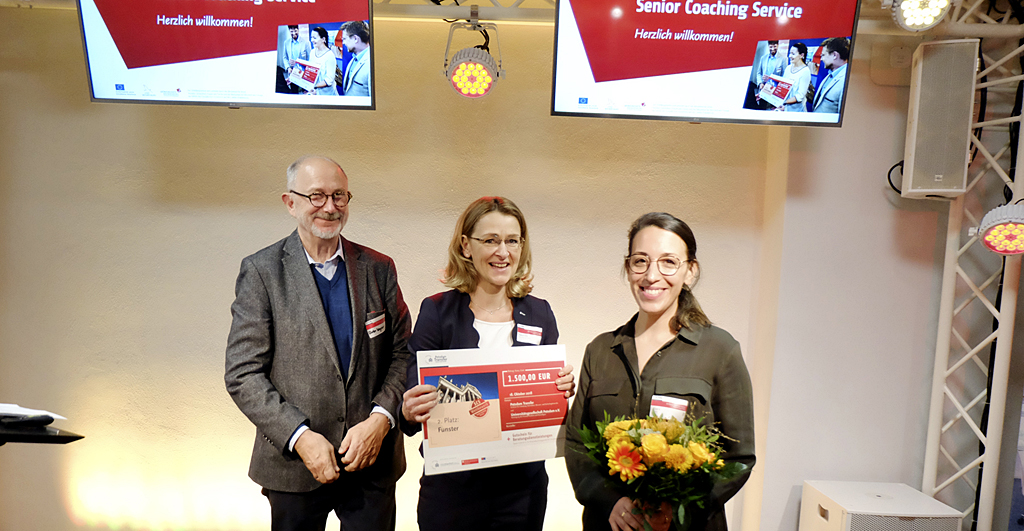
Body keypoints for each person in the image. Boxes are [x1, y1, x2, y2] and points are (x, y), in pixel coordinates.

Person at [225, 155, 412, 531]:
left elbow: (403, 353)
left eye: (339, 195)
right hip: (294, 467)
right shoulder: (262, 272)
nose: (329, 207)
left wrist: (381, 420)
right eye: (316, 196)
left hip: (371, 462)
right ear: (290, 203)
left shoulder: (378, 268)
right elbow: (243, 374)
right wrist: (300, 437)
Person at [566, 212, 755, 531]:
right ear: (628, 268)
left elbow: (739, 456)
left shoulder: (720, 350)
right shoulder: (601, 350)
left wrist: (679, 508)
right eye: (640, 261)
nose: (652, 275)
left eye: (668, 262)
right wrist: (610, 501)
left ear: (690, 271)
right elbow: (576, 442)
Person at [400, 196, 576, 531]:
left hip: (522, 494)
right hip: (453, 494)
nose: (503, 252)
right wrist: (410, 409)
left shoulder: (540, 313)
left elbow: (546, 401)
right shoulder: (437, 312)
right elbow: (412, 396)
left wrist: (560, 388)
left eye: (512, 241)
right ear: (466, 246)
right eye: (491, 240)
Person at [812, 37, 850, 113]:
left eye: (823, 55)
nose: (821, 59)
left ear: (835, 55)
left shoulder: (847, 81)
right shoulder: (831, 75)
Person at [775, 42, 811, 112]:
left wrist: (784, 103)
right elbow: (782, 86)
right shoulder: (788, 68)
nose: (790, 56)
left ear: (801, 55)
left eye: (793, 54)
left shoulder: (805, 71)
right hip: (784, 107)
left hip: (796, 110)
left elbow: (799, 96)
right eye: (790, 53)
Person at [339, 21, 371, 97]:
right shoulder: (354, 59)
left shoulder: (371, 63)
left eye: (344, 39)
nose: (343, 42)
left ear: (355, 39)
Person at [278, 25, 310, 94]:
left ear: (298, 30)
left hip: (303, 73)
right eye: (291, 31)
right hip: (292, 73)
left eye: (295, 31)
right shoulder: (286, 43)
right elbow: (285, 57)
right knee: (294, 92)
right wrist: (288, 67)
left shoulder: (305, 43)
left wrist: (298, 63)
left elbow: (309, 59)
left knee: (305, 93)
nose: (294, 33)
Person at [754, 40, 784, 110]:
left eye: (775, 46)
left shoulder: (783, 59)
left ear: (778, 45)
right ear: (768, 46)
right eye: (771, 47)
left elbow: (784, 77)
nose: (773, 49)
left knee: (773, 110)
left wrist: (771, 79)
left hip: (775, 91)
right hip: (763, 89)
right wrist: (760, 83)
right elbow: (759, 73)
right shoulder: (763, 58)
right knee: (762, 109)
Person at [307, 27, 337, 96]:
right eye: (311, 37)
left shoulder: (330, 55)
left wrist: (314, 86)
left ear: (323, 39)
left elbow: (329, 80)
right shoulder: (312, 52)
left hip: (327, 94)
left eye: (314, 38)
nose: (312, 40)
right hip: (315, 92)